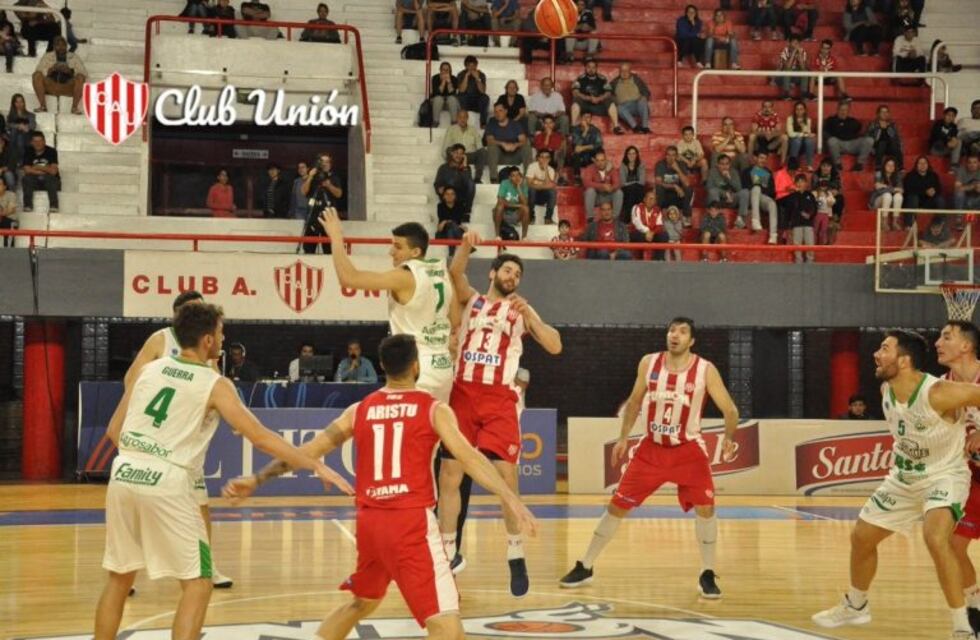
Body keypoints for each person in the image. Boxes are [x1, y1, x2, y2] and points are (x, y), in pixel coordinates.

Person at [221, 334, 537, 640]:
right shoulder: (433, 409)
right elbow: (470, 457)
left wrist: (257, 479)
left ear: (383, 367)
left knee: (362, 603)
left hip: (371, 525)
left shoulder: (359, 410)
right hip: (411, 525)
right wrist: (510, 497)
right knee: (448, 630)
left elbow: (306, 452)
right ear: (416, 366)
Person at [93, 302, 350, 640]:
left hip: (124, 472)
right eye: (220, 331)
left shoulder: (148, 371)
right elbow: (260, 437)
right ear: (208, 340)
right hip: (168, 481)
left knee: (119, 578)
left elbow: (114, 430)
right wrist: (314, 463)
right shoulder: (214, 383)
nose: (223, 337)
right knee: (199, 584)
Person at [812, 330, 980, 640]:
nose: (876, 354)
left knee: (935, 538)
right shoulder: (886, 390)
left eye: (884, 348)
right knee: (861, 537)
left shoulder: (939, 392)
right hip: (903, 479)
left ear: (904, 361)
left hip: (944, 475)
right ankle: (857, 604)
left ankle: (962, 626)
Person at [560, 317, 738, 599]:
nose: (674, 335)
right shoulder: (649, 362)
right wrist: (623, 437)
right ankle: (586, 565)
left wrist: (728, 437)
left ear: (692, 341)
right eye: (672, 330)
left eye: (682, 332)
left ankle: (707, 572)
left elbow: (730, 410)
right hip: (651, 449)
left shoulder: (705, 369)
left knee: (706, 509)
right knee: (617, 506)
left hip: (688, 451)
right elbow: (634, 402)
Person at [437, 233, 561, 596]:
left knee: (507, 478)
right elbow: (454, 274)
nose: (513, 277)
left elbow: (554, 345)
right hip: (463, 393)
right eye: (508, 270)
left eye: (518, 274)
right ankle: (447, 554)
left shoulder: (519, 310)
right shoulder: (472, 300)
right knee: (449, 475)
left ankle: (515, 552)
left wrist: (530, 314)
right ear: (493, 273)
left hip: (499, 399)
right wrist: (465, 246)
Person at [106, 290, 234, 590]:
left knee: (201, 505)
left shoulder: (208, 350)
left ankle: (208, 566)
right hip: (158, 437)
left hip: (185, 439)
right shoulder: (160, 339)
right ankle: (128, 573)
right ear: (177, 315)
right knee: (142, 505)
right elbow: (131, 378)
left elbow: (215, 386)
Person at [319, 210, 454, 404]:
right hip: (442, 366)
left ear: (415, 252)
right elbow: (456, 318)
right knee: (435, 422)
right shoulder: (441, 271)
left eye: (398, 247)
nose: (391, 252)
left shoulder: (404, 276)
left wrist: (336, 237)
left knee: (402, 422)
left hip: (416, 367)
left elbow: (348, 278)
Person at [935, 321, 980, 634]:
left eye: (946, 337)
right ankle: (975, 606)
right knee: (952, 544)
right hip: (973, 478)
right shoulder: (941, 387)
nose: (938, 342)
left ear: (966, 346)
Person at [301, 153, 344, 253]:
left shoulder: (334, 177)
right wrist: (310, 177)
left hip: (328, 216)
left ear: (330, 164)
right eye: (322, 162)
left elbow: (339, 194)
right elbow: (303, 192)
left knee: (329, 249)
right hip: (313, 216)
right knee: (308, 248)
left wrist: (329, 185)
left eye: (327, 162)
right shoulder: (313, 177)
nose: (324, 164)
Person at [31, 35, 86, 114]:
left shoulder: (74, 57)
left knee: (80, 77)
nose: (61, 47)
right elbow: (38, 69)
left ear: (66, 46)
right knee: (36, 75)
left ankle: (74, 108)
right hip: (51, 86)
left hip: (67, 87)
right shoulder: (47, 56)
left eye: (63, 45)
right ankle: (43, 106)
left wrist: (70, 71)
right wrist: (50, 70)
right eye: (58, 45)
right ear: (54, 46)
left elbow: (84, 73)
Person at [570, 58, 621, 134]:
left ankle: (616, 127)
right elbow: (575, 92)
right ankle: (573, 127)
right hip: (585, 105)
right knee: (576, 100)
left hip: (598, 105)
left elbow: (608, 92)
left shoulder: (602, 79)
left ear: (596, 68)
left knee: (610, 100)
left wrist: (599, 98)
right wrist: (588, 98)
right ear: (585, 67)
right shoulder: (579, 79)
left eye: (593, 67)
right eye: (589, 67)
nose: (591, 69)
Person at [739, 150, 779, 242]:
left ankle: (773, 235)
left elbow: (772, 191)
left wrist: (762, 186)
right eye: (761, 158)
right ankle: (755, 220)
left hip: (762, 197)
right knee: (756, 188)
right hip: (750, 196)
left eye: (765, 158)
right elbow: (744, 187)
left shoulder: (768, 172)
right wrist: (758, 185)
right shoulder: (747, 171)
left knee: (772, 204)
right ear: (755, 158)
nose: (763, 160)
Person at [485, 102, 531, 180]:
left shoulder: (515, 124)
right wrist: (503, 144)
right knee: (491, 146)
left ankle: (528, 177)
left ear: (506, 111)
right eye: (496, 112)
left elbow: (523, 140)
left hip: (515, 156)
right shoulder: (491, 125)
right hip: (499, 156)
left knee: (526, 146)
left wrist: (515, 145)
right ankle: (494, 178)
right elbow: (489, 140)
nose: (498, 114)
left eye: (500, 111)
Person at [825, 101, 873, 172]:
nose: (843, 112)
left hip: (852, 144)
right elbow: (825, 132)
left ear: (848, 111)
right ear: (837, 110)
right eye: (841, 109)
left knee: (869, 140)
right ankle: (837, 164)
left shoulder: (853, 121)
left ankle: (859, 164)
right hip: (838, 144)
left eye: (845, 110)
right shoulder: (831, 120)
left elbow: (862, 132)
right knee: (832, 141)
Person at [443, 109, 486, 184]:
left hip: (470, 155)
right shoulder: (451, 129)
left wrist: (478, 153)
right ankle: (453, 176)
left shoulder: (473, 130)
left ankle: (477, 178)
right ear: (457, 118)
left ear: (467, 118)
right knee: (448, 150)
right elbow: (445, 148)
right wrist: (455, 154)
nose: (462, 119)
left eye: (464, 117)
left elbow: (479, 146)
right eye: (460, 117)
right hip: (456, 155)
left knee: (482, 151)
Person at [21, 130, 59, 213]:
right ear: (31, 142)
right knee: (26, 179)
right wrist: (45, 169)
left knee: (51, 179)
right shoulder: (28, 151)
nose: (38, 143)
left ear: (44, 141)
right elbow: (26, 170)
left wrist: (37, 167)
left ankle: (54, 206)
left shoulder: (51, 151)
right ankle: (27, 205)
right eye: (35, 141)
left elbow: (53, 171)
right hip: (34, 181)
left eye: (40, 141)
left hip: (49, 180)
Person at [434, 144, 475, 218]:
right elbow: (437, 183)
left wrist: (464, 166)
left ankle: (467, 211)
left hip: (460, 195)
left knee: (471, 183)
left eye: (461, 153)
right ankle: (451, 212)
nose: (458, 156)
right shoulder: (443, 167)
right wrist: (438, 188)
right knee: (450, 182)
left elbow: (468, 183)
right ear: (452, 153)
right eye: (456, 153)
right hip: (448, 194)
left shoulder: (466, 167)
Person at [654, 146, 692, 225]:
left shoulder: (681, 165)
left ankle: (686, 217)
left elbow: (687, 183)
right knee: (659, 188)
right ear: (666, 156)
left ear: (676, 156)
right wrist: (674, 186)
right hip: (665, 196)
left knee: (688, 189)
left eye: (673, 155)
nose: (671, 158)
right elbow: (658, 182)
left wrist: (678, 169)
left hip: (678, 196)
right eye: (669, 155)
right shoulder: (660, 164)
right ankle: (657, 215)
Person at [610, 63, 651, 134]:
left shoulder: (637, 80)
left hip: (637, 104)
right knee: (618, 108)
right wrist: (614, 100)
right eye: (622, 71)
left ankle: (645, 127)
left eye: (626, 71)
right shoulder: (615, 82)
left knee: (643, 101)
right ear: (619, 72)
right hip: (624, 107)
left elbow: (646, 91)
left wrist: (644, 97)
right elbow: (607, 92)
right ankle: (635, 127)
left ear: (630, 71)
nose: (624, 73)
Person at [784, 173, 817, 262]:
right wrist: (787, 226)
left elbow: (815, 208)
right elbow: (788, 211)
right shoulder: (792, 196)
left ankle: (810, 260)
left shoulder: (810, 195)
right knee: (797, 244)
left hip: (808, 223)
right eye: (798, 182)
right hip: (796, 223)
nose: (800, 184)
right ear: (795, 183)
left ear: (806, 183)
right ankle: (798, 260)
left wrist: (810, 215)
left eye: (802, 181)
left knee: (810, 243)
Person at [582, 150, 623, 222]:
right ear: (595, 161)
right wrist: (602, 186)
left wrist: (611, 188)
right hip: (596, 197)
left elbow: (617, 183)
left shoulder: (611, 169)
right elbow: (586, 183)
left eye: (602, 160)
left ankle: (615, 218)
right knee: (590, 191)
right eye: (597, 161)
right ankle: (590, 218)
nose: (600, 163)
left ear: (606, 160)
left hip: (608, 196)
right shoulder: (590, 169)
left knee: (619, 192)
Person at [809, 40, 851, 104]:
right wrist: (819, 70)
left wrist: (828, 71)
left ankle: (844, 94)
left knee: (838, 75)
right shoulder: (815, 57)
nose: (824, 50)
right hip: (818, 77)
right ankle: (811, 95)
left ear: (829, 49)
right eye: (823, 48)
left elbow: (835, 69)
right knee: (813, 75)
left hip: (829, 77)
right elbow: (812, 68)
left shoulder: (832, 59)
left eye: (827, 48)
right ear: (820, 48)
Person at [494, 165, 530, 240]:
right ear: (509, 178)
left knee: (526, 209)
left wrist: (518, 187)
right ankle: (497, 236)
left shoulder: (524, 184)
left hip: (516, 214)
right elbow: (500, 201)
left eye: (518, 175)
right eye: (513, 176)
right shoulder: (505, 183)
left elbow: (525, 203)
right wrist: (518, 205)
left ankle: (524, 237)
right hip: (504, 213)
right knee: (499, 207)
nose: (516, 178)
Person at [870, 156, 904, 231]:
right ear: (884, 166)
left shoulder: (897, 176)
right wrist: (894, 189)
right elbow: (879, 191)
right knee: (887, 195)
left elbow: (901, 190)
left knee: (899, 196)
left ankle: (895, 222)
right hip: (878, 200)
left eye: (892, 165)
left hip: (891, 201)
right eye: (888, 165)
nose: (890, 167)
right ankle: (884, 222)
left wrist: (885, 186)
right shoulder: (879, 174)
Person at [867, 104, 904, 171]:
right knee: (882, 143)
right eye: (882, 112)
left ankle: (900, 167)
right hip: (877, 147)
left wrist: (888, 127)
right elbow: (868, 137)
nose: (884, 114)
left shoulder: (892, 124)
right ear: (878, 114)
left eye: (886, 112)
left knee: (894, 144)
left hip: (890, 147)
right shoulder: (873, 124)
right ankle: (878, 167)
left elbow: (897, 137)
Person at [456, 55, 489, 127]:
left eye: (473, 66)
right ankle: (462, 122)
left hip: (477, 102)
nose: (471, 68)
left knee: (485, 98)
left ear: (476, 65)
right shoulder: (461, 74)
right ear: (466, 66)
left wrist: (477, 78)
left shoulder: (481, 75)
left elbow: (482, 91)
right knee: (461, 97)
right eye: (469, 66)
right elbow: (461, 90)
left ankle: (483, 123)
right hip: (465, 101)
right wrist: (466, 77)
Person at [526, 149, 558, 224]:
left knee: (552, 192)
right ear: (538, 158)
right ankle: (530, 216)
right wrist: (545, 185)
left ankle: (548, 218)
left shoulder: (551, 170)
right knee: (531, 190)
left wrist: (546, 169)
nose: (544, 159)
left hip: (543, 197)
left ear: (550, 159)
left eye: (547, 157)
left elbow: (550, 186)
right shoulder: (532, 166)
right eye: (542, 157)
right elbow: (529, 184)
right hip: (531, 196)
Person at [775, 34, 810, 101]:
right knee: (787, 70)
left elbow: (803, 67)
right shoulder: (784, 51)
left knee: (805, 71)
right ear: (789, 43)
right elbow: (788, 66)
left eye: (797, 43)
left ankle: (803, 93)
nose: (796, 45)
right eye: (794, 43)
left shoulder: (802, 51)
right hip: (782, 76)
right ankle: (786, 94)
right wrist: (793, 53)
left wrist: (800, 55)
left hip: (796, 77)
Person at [532, 114, 566, 180]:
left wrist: (550, 148)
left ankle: (559, 174)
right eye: (546, 123)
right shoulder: (539, 136)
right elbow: (541, 149)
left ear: (553, 124)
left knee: (558, 151)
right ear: (543, 125)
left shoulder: (558, 136)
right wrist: (547, 136)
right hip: (542, 158)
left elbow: (557, 148)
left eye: (550, 123)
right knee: (543, 154)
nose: (548, 125)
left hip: (554, 159)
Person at [570, 111, 603, 177]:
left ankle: (600, 175)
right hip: (580, 156)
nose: (586, 119)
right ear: (581, 118)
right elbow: (577, 145)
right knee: (576, 153)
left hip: (591, 155)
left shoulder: (595, 130)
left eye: (588, 117)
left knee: (600, 151)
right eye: (584, 117)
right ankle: (577, 177)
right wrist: (585, 131)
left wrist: (583, 148)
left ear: (590, 119)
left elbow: (599, 144)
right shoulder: (575, 130)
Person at [436, 185, 468, 252]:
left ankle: (451, 253)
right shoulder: (440, 206)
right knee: (450, 227)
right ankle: (468, 247)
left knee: (451, 227)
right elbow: (440, 227)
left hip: (456, 231)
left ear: (455, 196)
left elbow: (457, 220)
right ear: (444, 196)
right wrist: (448, 222)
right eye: (447, 194)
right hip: (444, 233)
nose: (449, 196)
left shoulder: (459, 206)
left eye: (452, 194)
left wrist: (447, 221)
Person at [619, 145, 646, 223]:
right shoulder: (623, 166)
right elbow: (623, 183)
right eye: (629, 153)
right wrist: (635, 183)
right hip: (626, 190)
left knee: (636, 189)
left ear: (636, 155)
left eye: (633, 153)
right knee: (632, 189)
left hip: (638, 189)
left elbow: (642, 182)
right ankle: (634, 217)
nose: (632, 155)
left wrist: (632, 184)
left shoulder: (641, 165)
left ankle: (632, 218)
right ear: (626, 155)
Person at [786, 100, 816, 170]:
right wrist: (803, 134)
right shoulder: (790, 119)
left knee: (810, 141)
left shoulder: (808, 120)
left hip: (803, 141)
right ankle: (793, 164)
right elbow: (791, 134)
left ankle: (809, 165)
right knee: (797, 141)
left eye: (801, 109)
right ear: (795, 110)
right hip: (792, 141)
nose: (799, 111)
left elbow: (807, 133)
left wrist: (802, 125)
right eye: (797, 109)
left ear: (804, 110)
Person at [7, 93, 35, 165]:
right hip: (14, 137)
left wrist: (25, 127)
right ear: (14, 104)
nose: (19, 104)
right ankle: (20, 161)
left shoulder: (30, 115)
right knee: (18, 135)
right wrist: (19, 126)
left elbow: (32, 126)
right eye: (17, 102)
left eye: (21, 101)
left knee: (19, 136)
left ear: (24, 103)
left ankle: (14, 159)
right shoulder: (10, 116)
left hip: (27, 136)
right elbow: (8, 126)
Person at [675, 4, 705, 69]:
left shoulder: (698, 22)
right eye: (689, 12)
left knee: (697, 40)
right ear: (686, 13)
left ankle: (698, 61)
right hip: (682, 41)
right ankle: (679, 60)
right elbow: (683, 34)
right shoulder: (681, 20)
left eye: (693, 12)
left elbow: (697, 33)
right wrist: (695, 34)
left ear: (696, 13)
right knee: (689, 39)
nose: (691, 14)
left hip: (693, 43)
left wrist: (693, 25)